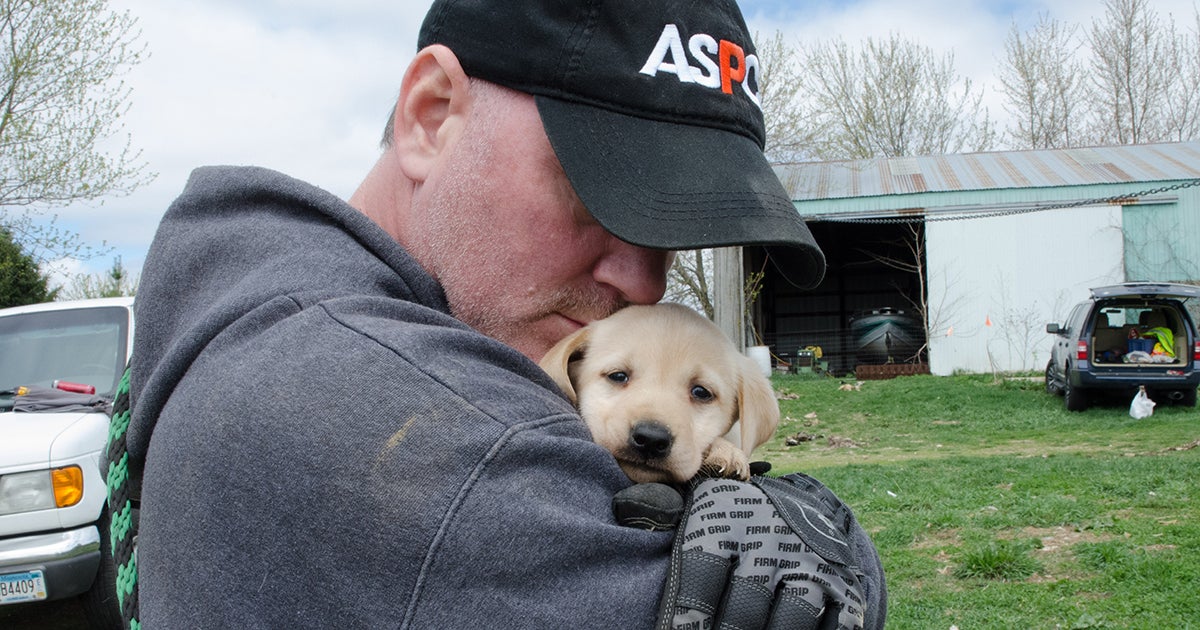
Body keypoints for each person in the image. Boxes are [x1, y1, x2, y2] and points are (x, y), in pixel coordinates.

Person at [123, 0, 885, 627]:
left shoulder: (256, 302)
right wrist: (843, 547)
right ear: (431, 114)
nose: (644, 282)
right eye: (596, 196)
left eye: (674, 226)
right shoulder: (399, 423)